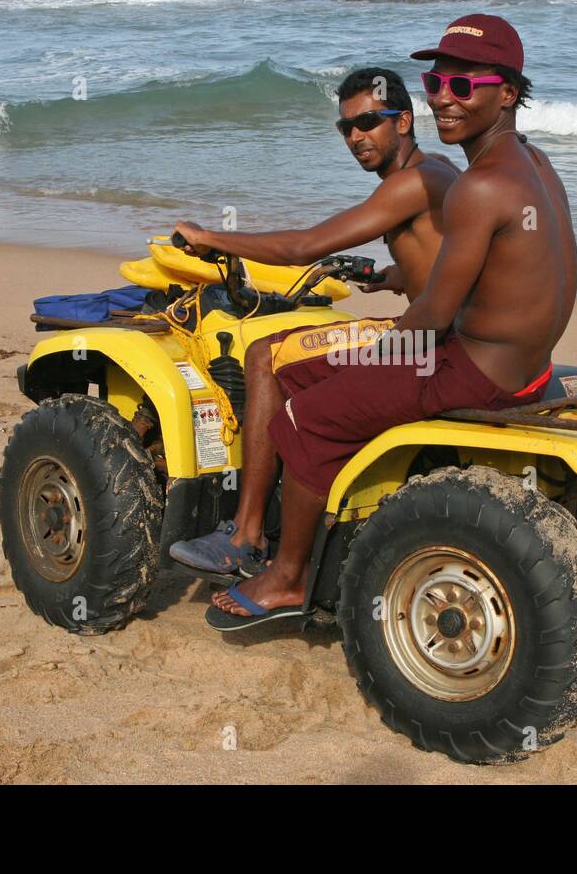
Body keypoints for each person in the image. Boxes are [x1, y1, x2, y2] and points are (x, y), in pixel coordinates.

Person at [200, 14, 577, 629]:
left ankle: (287, 578)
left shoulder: (477, 186)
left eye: (464, 86)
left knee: (308, 416)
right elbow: (509, 271)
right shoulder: (535, 164)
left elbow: (429, 319)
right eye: (436, 83)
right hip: (522, 364)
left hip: (471, 369)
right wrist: (394, 284)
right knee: (316, 376)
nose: (443, 101)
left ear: (507, 92)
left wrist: (370, 365)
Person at [167, 67, 458, 577]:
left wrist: (212, 238)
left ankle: (246, 535)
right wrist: (394, 275)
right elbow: (443, 257)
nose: (356, 137)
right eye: (346, 127)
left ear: (405, 120)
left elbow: (305, 246)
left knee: (266, 354)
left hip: (425, 345)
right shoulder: (439, 171)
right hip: (440, 332)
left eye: (369, 121)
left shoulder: (408, 184)